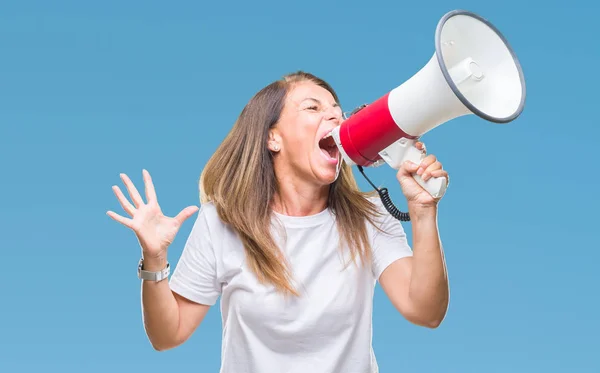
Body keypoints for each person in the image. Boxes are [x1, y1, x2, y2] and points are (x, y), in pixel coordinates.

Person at [107, 71, 450, 373]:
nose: (334, 117)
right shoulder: (222, 223)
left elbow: (426, 311)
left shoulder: (370, 216)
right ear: (273, 138)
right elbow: (168, 335)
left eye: (336, 110)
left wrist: (422, 212)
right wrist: (154, 258)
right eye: (313, 108)